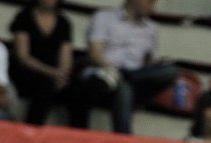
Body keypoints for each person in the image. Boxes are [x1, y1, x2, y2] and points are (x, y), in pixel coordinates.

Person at [70, 0, 176, 134]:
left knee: (170, 71)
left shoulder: (151, 28)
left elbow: (149, 64)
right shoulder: (104, 17)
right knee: (124, 87)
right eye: (149, 2)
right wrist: (114, 70)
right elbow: (94, 54)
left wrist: (158, 64)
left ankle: (125, 75)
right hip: (104, 75)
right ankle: (124, 138)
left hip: (135, 78)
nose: (152, 7)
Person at [8, 0, 72, 125]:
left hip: (54, 74)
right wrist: (53, 73)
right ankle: (31, 131)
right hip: (26, 71)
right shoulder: (24, 17)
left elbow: (66, 57)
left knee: (77, 91)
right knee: (45, 85)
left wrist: (62, 75)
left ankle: (78, 139)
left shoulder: (64, 22)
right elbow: (23, 57)